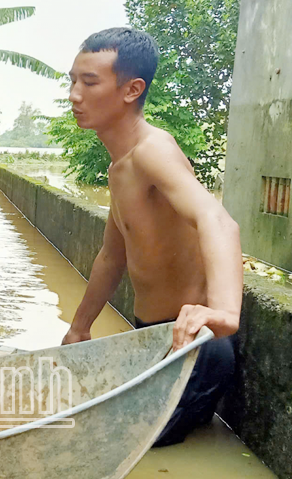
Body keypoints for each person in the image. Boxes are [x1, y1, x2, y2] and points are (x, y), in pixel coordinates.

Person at [60, 27, 242, 446]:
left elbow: (218, 220)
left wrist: (224, 312)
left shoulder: (152, 150)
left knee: (100, 442)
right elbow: (111, 255)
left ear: (132, 90)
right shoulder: (120, 167)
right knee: (76, 418)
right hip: (151, 340)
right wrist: (79, 328)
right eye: (72, 80)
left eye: (89, 82)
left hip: (193, 348)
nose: (74, 94)